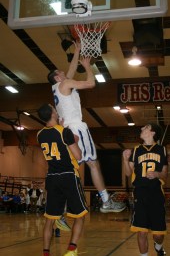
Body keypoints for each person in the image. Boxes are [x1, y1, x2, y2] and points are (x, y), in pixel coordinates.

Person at [47, 41, 125, 214]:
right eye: (61, 72)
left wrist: (77, 51)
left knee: (72, 168)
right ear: (58, 78)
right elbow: (90, 84)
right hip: (76, 128)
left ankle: (60, 207)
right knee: (93, 164)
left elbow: (71, 70)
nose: (64, 72)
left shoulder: (57, 87)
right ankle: (105, 201)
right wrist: (88, 67)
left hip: (66, 131)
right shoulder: (65, 84)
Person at [37, 103, 88, 256]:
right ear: (53, 113)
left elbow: (57, 141)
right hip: (68, 176)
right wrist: (73, 139)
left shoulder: (39, 134)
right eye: (53, 108)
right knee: (80, 216)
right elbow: (78, 156)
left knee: (49, 220)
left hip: (52, 178)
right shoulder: (64, 131)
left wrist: (66, 133)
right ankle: (71, 252)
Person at [123, 123, 168, 256]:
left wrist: (157, 174)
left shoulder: (162, 150)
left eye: (145, 127)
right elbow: (128, 174)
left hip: (156, 194)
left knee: (158, 235)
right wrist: (125, 159)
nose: (142, 129)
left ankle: (159, 248)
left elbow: (165, 173)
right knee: (141, 231)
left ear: (152, 132)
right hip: (140, 193)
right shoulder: (136, 150)